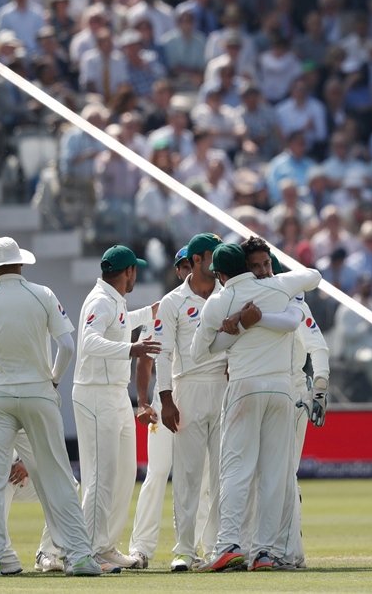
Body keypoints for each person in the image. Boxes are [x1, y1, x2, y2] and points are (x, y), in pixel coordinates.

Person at [0, 237, 104, 577]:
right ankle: (78, 556)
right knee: (57, 473)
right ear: (20, 264)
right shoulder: (43, 294)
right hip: (38, 392)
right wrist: (53, 378)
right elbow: (66, 345)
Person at [191, 244, 323, 571]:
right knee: (275, 474)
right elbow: (314, 276)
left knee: (237, 470)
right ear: (247, 267)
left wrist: (238, 324)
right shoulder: (279, 286)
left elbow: (198, 353)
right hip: (281, 390)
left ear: (221, 275)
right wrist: (248, 322)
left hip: (244, 387)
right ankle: (264, 553)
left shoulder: (220, 301)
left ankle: (228, 546)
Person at [238, 241, 331, 568]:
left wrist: (319, 387)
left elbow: (317, 347)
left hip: (290, 393)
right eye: (256, 267)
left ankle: (287, 552)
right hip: (251, 392)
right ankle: (254, 549)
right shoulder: (239, 303)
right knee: (252, 476)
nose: (263, 272)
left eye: (267, 266)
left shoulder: (293, 301)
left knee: (283, 475)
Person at [138, 235, 228, 572]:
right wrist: (166, 400)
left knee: (221, 474)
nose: (218, 262)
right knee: (188, 475)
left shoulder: (226, 294)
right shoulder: (173, 301)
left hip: (222, 387)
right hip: (186, 389)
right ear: (200, 258)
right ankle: (184, 551)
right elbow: (163, 354)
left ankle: (217, 546)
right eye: (213, 256)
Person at [73, 246, 160, 571]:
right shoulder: (100, 301)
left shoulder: (114, 301)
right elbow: (90, 341)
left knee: (123, 472)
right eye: (135, 270)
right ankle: (90, 550)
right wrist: (133, 348)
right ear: (128, 272)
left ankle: (105, 545)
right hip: (95, 394)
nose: (136, 275)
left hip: (115, 395)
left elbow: (120, 324)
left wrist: (148, 313)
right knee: (101, 475)